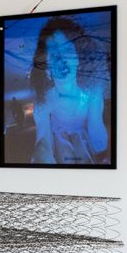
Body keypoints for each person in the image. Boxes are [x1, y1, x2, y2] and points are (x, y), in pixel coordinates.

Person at [30, 16, 110, 165]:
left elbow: (97, 131)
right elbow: (43, 142)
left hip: (85, 145)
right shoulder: (43, 102)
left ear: (79, 59)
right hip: (59, 145)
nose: (61, 59)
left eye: (67, 50)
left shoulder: (92, 94)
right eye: (53, 54)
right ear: (46, 68)